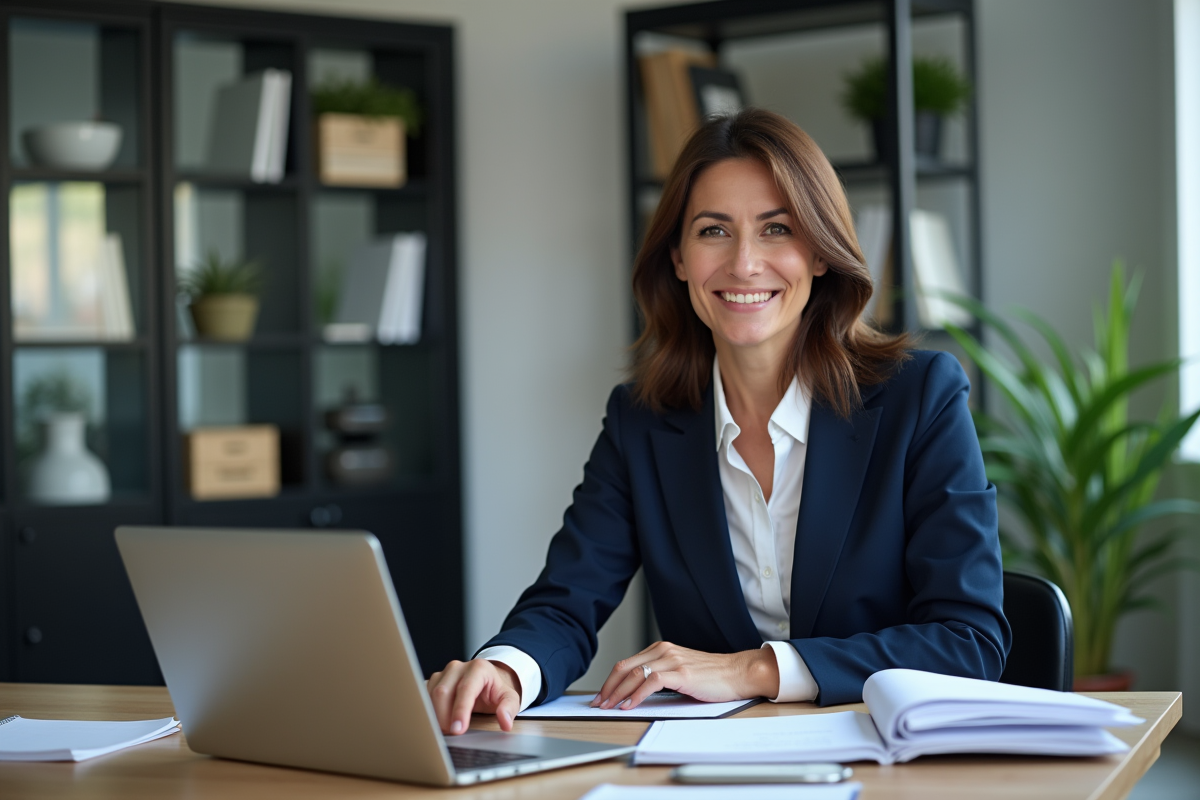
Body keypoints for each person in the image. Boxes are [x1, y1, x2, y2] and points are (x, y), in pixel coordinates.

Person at [427, 108, 1011, 736]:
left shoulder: (919, 397)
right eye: (713, 231)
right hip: (710, 769)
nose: (744, 264)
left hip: (889, 761)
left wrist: (751, 671)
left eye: (776, 229)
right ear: (677, 258)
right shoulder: (641, 423)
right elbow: (567, 602)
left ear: (819, 253)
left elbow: (969, 640)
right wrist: (507, 671)